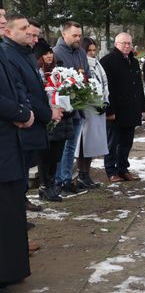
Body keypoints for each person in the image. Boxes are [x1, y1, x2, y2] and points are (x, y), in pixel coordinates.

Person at [1, 16, 63, 211]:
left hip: (31, 121)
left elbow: (32, 86)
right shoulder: (9, 54)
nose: (29, 32)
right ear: (9, 32)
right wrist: (44, 113)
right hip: (21, 124)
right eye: (24, 28)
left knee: (25, 169)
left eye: (30, 27)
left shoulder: (25, 53)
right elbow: (20, 92)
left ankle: (19, 210)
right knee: (17, 175)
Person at [0, 0, 34, 287]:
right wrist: (21, 113)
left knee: (11, 206)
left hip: (9, 139)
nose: (3, 21)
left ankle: (11, 268)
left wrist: (24, 110)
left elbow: (16, 87)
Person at [101, 33, 145, 182]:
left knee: (127, 142)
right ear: (116, 44)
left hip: (131, 108)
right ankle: (111, 170)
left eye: (129, 43)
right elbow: (106, 88)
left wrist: (142, 106)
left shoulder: (133, 61)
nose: (127, 46)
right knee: (112, 142)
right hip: (116, 109)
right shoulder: (108, 61)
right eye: (123, 43)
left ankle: (123, 168)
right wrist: (109, 110)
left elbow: (138, 85)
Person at [53, 21, 90, 197]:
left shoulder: (81, 52)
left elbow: (86, 74)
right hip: (65, 107)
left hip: (80, 105)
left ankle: (67, 179)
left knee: (72, 146)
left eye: (79, 35)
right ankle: (59, 180)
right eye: (74, 35)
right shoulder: (56, 53)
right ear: (64, 34)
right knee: (63, 145)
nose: (78, 38)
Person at [34, 39, 71, 202]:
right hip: (46, 118)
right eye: (45, 53)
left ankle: (51, 184)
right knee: (45, 154)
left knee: (57, 154)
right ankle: (44, 186)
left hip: (62, 118)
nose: (49, 56)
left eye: (50, 52)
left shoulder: (59, 72)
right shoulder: (38, 72)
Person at [74, 37, 109, 188]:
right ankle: (82, 174)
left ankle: (86, 173)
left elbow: (104, 83)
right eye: (89, 51)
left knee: (93, 144)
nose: (93, 53)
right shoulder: (82, 65)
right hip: (87, 110)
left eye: (94, 50)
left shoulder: (98, 65)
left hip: (98, 109)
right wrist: (93, 103)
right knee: (83, 144)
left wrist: (105, 101)